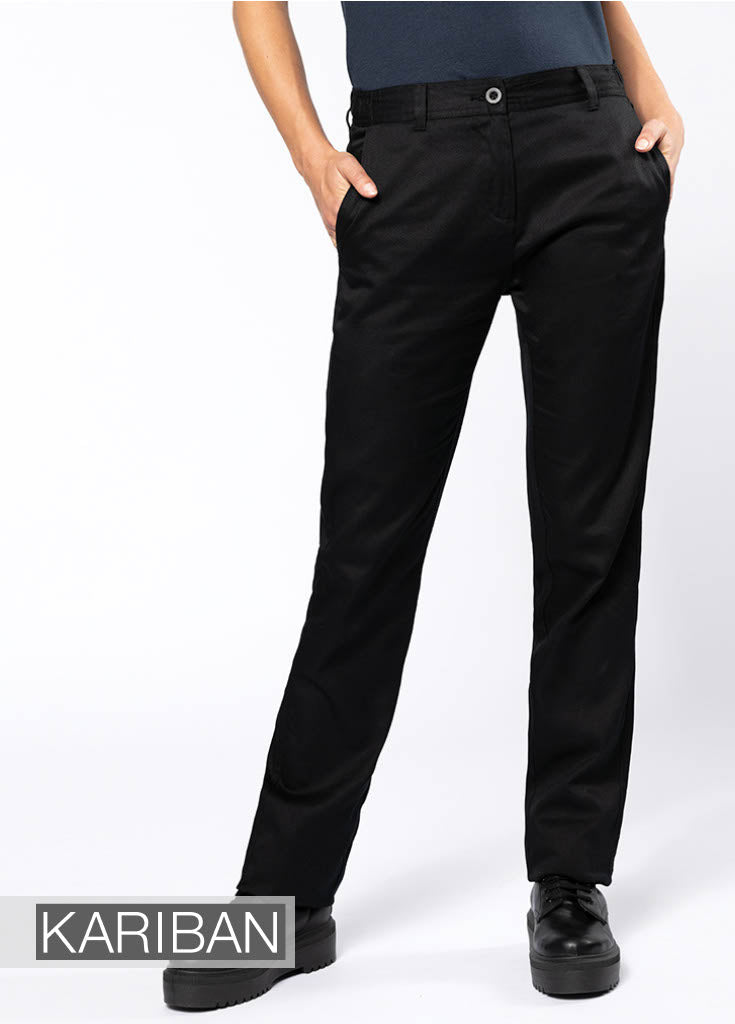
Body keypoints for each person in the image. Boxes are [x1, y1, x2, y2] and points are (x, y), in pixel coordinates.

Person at [163, 1, 683, 1009]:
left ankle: (569, 879)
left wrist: (644, 83)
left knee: (588, 539)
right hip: (412, 155)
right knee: (365, 554)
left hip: (585, 138)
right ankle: (284, 898)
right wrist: (311, 155)